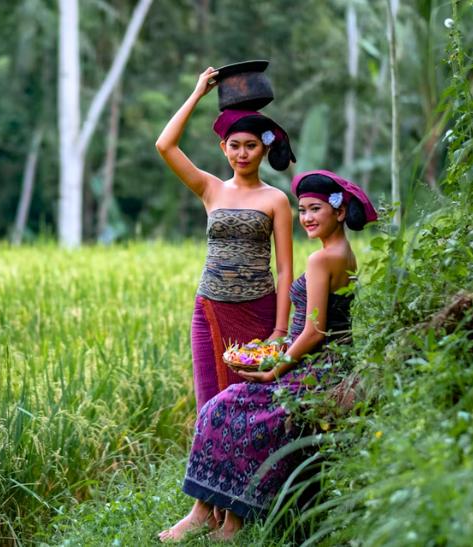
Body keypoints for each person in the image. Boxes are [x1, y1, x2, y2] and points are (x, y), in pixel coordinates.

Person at [159, 170, 378, 542]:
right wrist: (278, 349)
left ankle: (219, 520)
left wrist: (275, 368)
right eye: (303, 210)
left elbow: (315, 331)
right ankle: (221, 518)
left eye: (316, 209)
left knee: (221, 408)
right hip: (331, 362)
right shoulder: (344, 254)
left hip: (317, 367)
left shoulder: (321, 260)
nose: (307, 217)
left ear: (339, 212)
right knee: (231, 406)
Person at [155, 67, 297, 415]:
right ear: (223, 148)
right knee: (210, 406)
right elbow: (165, 145)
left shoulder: (276, 199)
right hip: (210, 310)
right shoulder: (210, 188)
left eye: (251, 146)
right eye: (235, 146)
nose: (242, 154)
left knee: (256, 407)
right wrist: (197, 93)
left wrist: (280, 329)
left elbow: (284, 269)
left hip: (259, 312)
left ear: (264, 148)